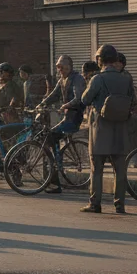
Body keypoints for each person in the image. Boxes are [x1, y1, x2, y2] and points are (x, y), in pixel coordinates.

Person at [80, 44, 137, 215]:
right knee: (120, 170)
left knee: (97, 169)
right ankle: (119, 205)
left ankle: (95, 203)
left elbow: (85, 99)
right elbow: (133, 101)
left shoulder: (97, 79)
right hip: (121, 129)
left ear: (100, 59)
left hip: (100, 129)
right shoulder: (126, 79)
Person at [39, 55, 86, 195]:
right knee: (47, 138)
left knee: (51, 137)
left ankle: (56, 172)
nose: (60, 70)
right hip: (66, 116)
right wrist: (42, 104)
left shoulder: (77, 79)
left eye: (62, 67)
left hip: (74, 117)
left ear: (69, 66)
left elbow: (79, 98)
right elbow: (54, 95)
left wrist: (66, 105)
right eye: (58, 67)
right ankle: (55, 163)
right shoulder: (62, 80)